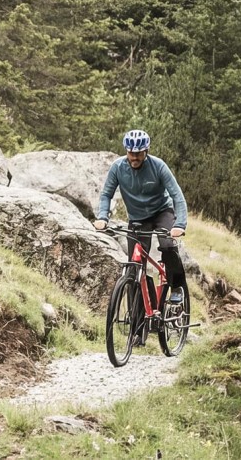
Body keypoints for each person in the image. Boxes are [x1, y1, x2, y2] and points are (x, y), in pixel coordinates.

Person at [93, 128, 188, 344]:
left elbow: (177, 196)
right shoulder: (118, 167)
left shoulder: (158, 166)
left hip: (162, 213)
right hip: (137, 219)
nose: (134, 157)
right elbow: (106, 194)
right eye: (131, 153)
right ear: (126, 151)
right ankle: (138, 329)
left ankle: (176, 287)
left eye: (138, 153)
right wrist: (102, 218)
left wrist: (179, 224)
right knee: (135, 268)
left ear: (146, 151)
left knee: (167, 245)